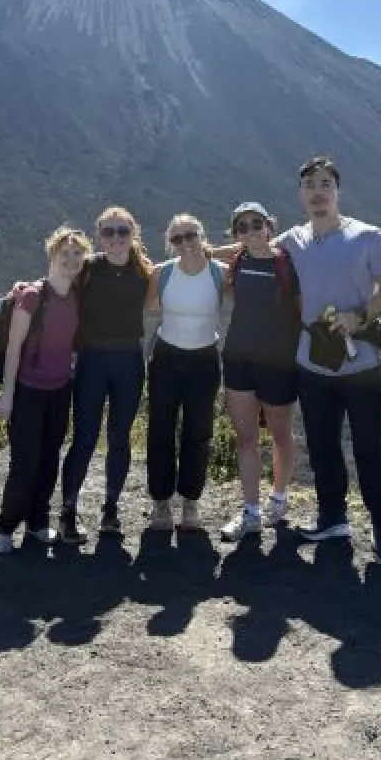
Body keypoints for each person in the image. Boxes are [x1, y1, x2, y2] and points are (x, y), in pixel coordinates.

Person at [216, 156, 381, 567]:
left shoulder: (368, 236)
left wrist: (360, 316)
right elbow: (251, 246)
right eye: (310, 186)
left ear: (337, 191)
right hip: (312, 362)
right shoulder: (292, 239)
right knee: (322, 446)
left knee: (370, 448)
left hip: (360, 363)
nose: (318, 193)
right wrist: (196, 250)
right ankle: (332, 518)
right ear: (300, 195)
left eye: (325, 184)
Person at [58, 206, 155, 541]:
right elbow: (55, 281)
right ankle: (67, 511)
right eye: (109, 232)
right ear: (99, 235)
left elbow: (193, 260)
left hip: (129, 358)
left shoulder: (145, 271)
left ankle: (110, 510)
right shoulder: (86, 269)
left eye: (122, 232)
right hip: (92, 359)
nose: (115, 238)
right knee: (84, 437)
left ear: (133, 235)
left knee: (120, 437)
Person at [0, 226, 90, 553]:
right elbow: (13, 348)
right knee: (24, 463)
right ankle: (5, 526)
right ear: (52, 255)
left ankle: (37, 521)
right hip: (28, 391)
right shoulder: (34, 295)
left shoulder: (75, 296)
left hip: (60, 390)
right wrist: (7, 396)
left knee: (49, 459)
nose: (72, 260)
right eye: (65, 254)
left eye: (78, 254)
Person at [210, 201, 303, 542]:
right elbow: (208, 254)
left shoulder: (288, 264)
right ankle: (250, 511)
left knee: (280, 434)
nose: (250, 231)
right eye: (242, 227)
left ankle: (278, 499)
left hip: (279, 362)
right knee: (246, 437)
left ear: (269, 225)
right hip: (238, 358)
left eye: (256, 223)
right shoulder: (237, 261)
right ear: (236, 235)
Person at [142, 213, 227, 532]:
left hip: (205, 359)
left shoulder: (221, 273)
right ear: (170, 244)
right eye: (177, 239)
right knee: (161, 428)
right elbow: (150, 307)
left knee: (199, 431)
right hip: (166, 357)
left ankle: (191, 502)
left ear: (202, 236)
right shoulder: (161, 274)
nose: (185, 243)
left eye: (191, 235)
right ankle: (161, 502)